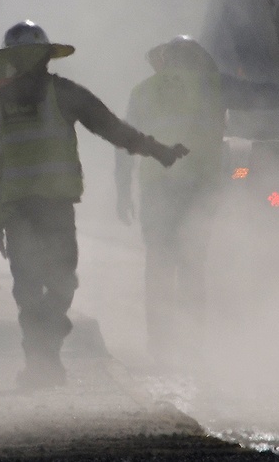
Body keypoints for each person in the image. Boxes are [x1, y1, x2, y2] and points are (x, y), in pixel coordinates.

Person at [0, 21, 188, 390]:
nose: (33, 68)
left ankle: (44, 350)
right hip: (23, 211)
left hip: (50, 209)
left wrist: (157, 151)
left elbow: (113, 129)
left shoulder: (57, 95)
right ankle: (41, 360)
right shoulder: (7, 104)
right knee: (31, 288)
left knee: (59, 285)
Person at [114, 36, 229, 367]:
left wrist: (122, 190)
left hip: (157, 189)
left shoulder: (143, 91)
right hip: (199, 190)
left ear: (163, 60)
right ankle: (195, 346)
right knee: (193, 267)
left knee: (159, 266)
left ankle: (160, 345)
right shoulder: (213, 89)